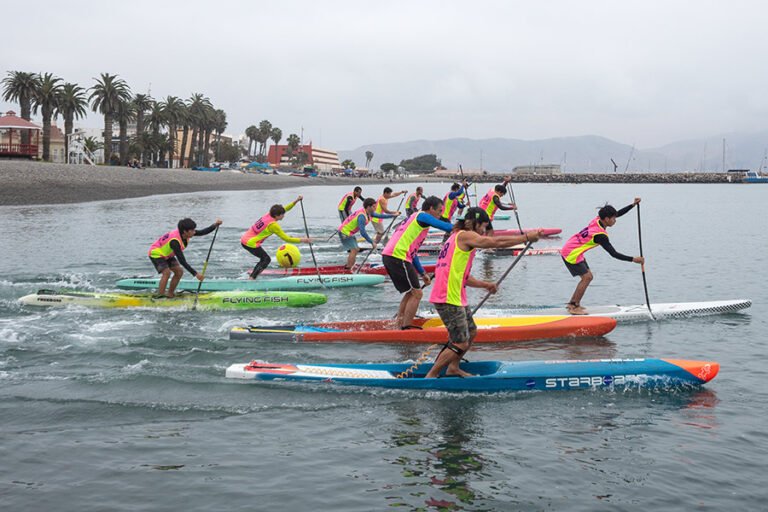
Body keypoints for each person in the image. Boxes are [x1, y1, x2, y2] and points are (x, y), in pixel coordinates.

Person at [426, 207, 541, 378]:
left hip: (455, 297)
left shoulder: (455, 238)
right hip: (448, 297)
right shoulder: (465, 235)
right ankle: (431, 376)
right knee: (460, 342)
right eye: (483, 227)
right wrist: (525, 238)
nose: (484, 231)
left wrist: (485, 285)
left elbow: (464, 277)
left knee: (471, 333)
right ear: (475, 223)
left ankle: (453, 367)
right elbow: (494, 243)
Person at [560, 198, 645, 315]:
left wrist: (633, 205)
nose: (615, 220)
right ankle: (573, 307)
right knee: (587, 278)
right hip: (571, 253)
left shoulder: (597, 220)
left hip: (574, 249)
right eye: (613, 218)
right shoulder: (600, 236)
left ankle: (573, 303)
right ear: (606, 219)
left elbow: (618, 213)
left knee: (588, 277)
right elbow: (614, 254)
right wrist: (633, 259)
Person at [382, 196, 453, 330]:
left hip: (392, 255)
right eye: (439, 211)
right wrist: (464, 228)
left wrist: (422, 273)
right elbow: (444, 226)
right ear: (430, 208)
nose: (440, 214)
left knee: (410, 292)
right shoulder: (422, 216)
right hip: (397, 256)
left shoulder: (416, 220)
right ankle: (407, 327)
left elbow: (412, 252)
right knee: (417, 293)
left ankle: (399, 324)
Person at [148, 217, 223, 298]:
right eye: (192, 230)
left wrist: (215, 225)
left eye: (194, 230)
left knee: (179, 272)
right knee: (167, 273)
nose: (194, 232)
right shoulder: (175, 241)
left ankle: (170, 294)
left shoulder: (185, 233)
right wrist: (196, 274)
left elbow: (202, 232)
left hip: (167, 254)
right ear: (185, 231)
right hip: (156, 253)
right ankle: (160, 296)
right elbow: (182, 261)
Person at [241, 195, 312, 279]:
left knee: (264, 259)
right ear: (277, 216)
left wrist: (296, 201)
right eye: (282, 215)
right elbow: (286, 239)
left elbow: (285, 209)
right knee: (266, 259)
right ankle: (252, 278)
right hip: (250, 243)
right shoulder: (273, 225)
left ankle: (253, 275)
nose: (284, 216)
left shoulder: (268, 215)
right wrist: (303, 240)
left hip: (244, 239)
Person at [337, 197, 396, 269]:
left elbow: (380, 215)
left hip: (349, 232)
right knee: (354, 250)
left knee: (356, 249)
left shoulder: (369, 213)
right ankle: (348, 269)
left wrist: (393, 215)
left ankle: (348, 266)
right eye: (374, 206)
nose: (375, 208)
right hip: (344, 232)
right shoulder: (362, 216)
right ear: (368, 207)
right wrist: (372, 242)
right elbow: (363, 232)